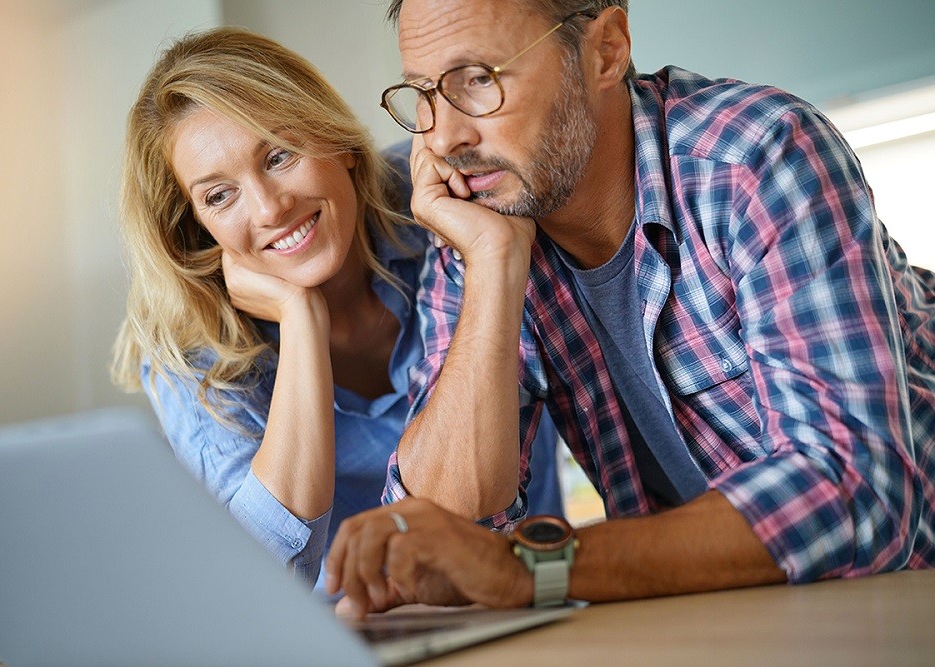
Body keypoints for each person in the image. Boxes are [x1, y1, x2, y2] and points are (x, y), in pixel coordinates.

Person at [325, 0, 935, 614]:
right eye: (424, 94)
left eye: (479, 80)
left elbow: (859, 493)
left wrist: (536, 568)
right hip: (735, 619)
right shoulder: (484, 222)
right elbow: (439, 528)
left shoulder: (753, 156)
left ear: (606, 50)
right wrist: (492, 265)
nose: (443, 137)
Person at [110, 27, 564, 592]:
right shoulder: (191, 351)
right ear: (195, 226)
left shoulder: (444, 198)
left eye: (279, 155)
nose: (271, 208)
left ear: (340, 141)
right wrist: (300, 319)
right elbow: (265, 579)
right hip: (352, 636)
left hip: (529, 586)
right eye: (219, 195)